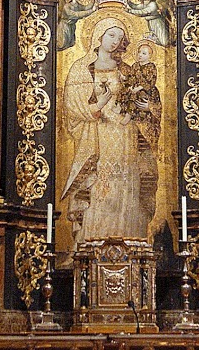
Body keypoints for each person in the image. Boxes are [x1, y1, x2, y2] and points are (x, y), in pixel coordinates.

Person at [60, 18, 157, 249]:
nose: (115, 42)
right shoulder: (81, 68)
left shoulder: (126, 70)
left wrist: (146, 106)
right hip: (98, 136)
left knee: (126, 185)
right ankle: (91, 244)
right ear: (98, 35)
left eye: (120, 38)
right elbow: (72, 106)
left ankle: (130, 243)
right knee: (100, 186)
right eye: (111, 35)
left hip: (126, 136)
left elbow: (146, 98)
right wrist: (99, 104)